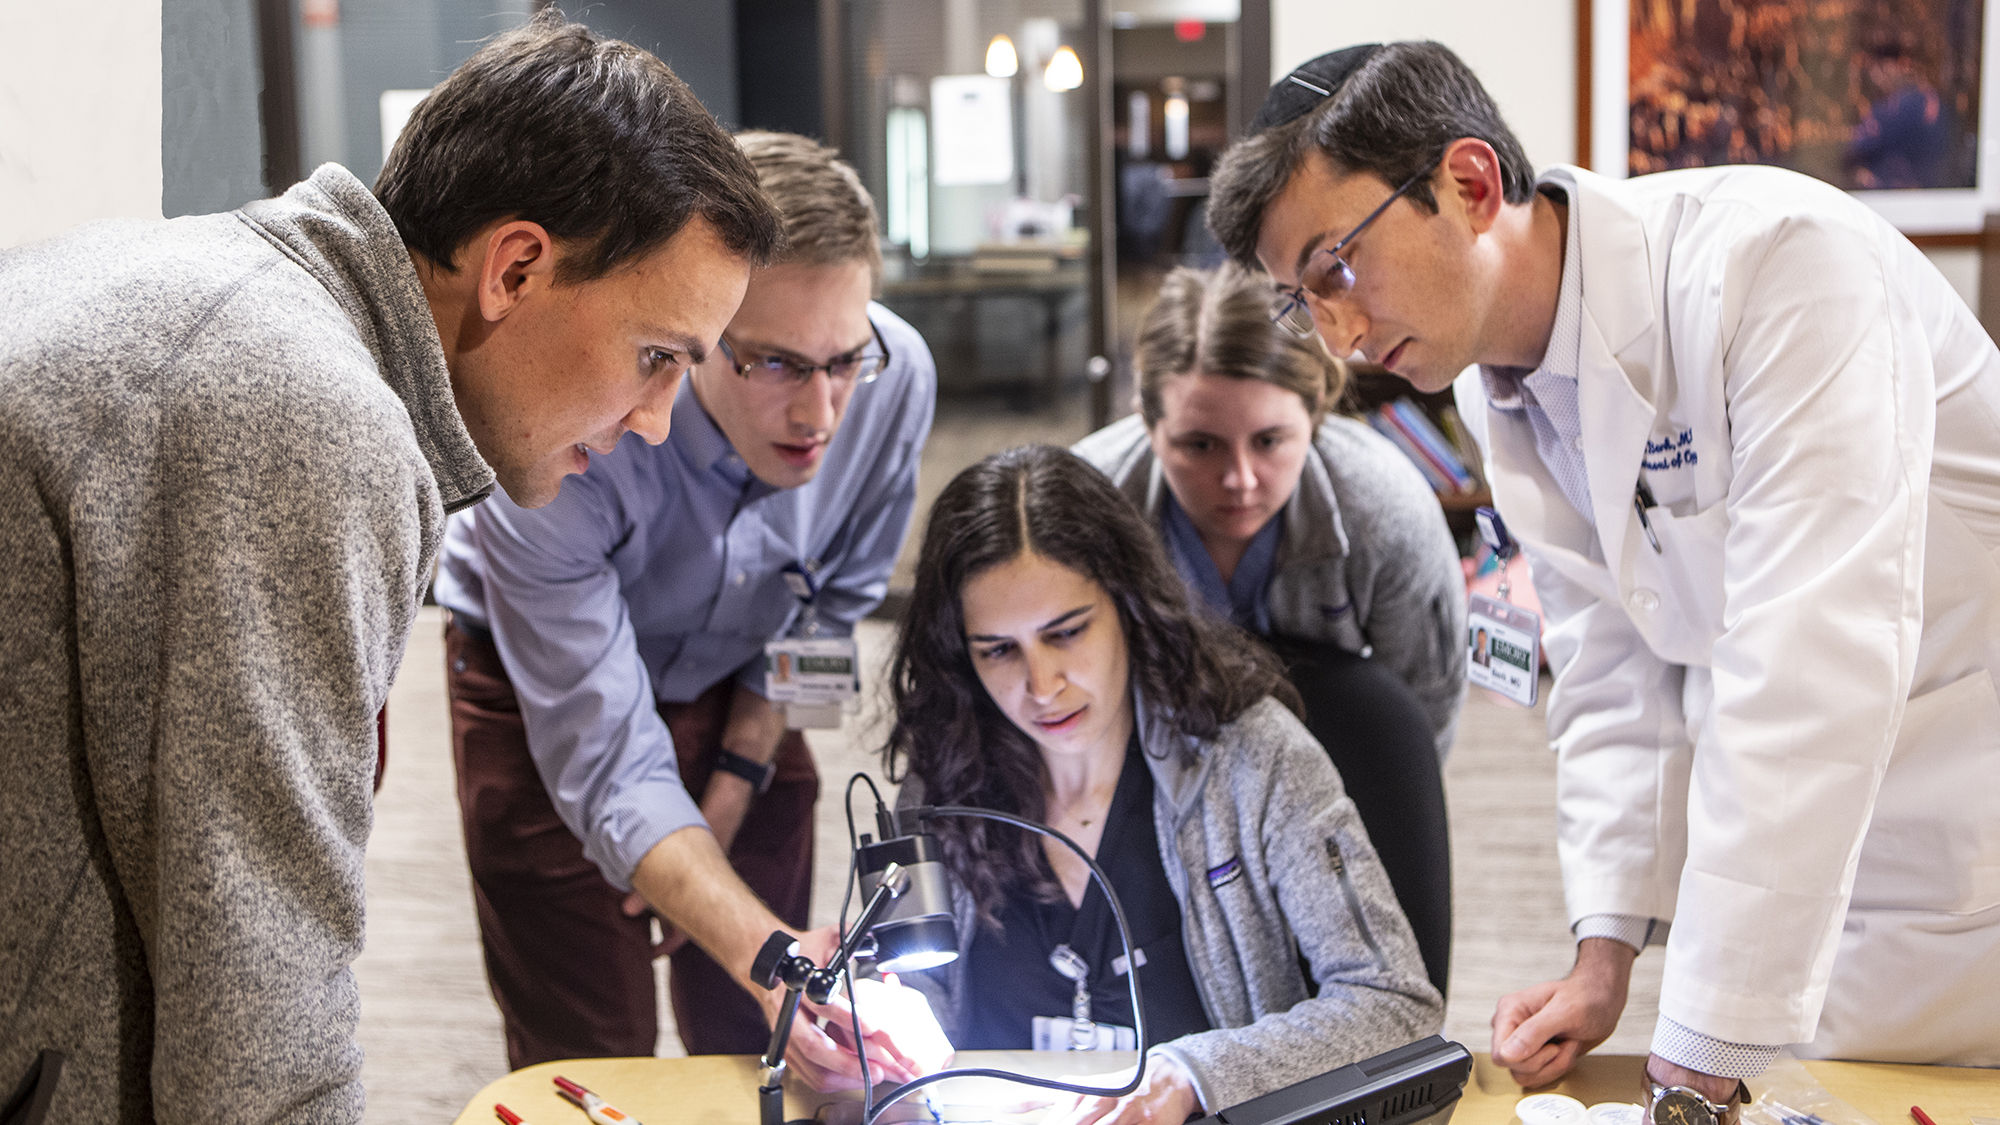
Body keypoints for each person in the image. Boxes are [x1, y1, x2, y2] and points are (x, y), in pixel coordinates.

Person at [0, 12, 789, 1122]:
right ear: (516, 266)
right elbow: (258, 1015)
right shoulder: (304, 411)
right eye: (656, 357)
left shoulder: (227, 296)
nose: (658, 421)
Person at [1207, 37, 2000, 1111]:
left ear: (1468, 182)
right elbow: (1607, 664)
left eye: (1335, 267)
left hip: (1965, 834)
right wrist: (1604, 952)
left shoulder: (1780, 266)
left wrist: (1705, 1035)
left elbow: (1809, 664)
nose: (1337, 335)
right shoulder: (1502, 388)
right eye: (1302, 300)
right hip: (1812, 869)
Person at [437, 131, 940, 1070]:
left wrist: (742, 773)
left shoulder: (897, 376)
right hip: (536, 670)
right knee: (591, 1036)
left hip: (745, 662)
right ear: (698, 329)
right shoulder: (573, 434)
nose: (822, 414)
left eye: (842, 359)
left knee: (767, 1029)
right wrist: (748, 931)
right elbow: (610, 758)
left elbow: (832, 609)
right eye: (776, 364)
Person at [883, 445, 1443, 1125]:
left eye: (1067, 632)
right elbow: (898, 1000)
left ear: (1128, 603)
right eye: (998, 649)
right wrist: (870, 1025)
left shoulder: (1253, 760)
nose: (1041, 684)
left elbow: (1397, 1006)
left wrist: (1193, 1074)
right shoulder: (941, 776)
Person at [1072, 263, 1463, 992]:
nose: (1241, 480)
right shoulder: (1087, 506)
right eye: (1200, 445)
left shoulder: (1386, 510)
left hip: (1327, 752)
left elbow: (1418, 716)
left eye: (1270, 441)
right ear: (1148, 423)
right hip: (1137, 760)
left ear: (1315, 415)